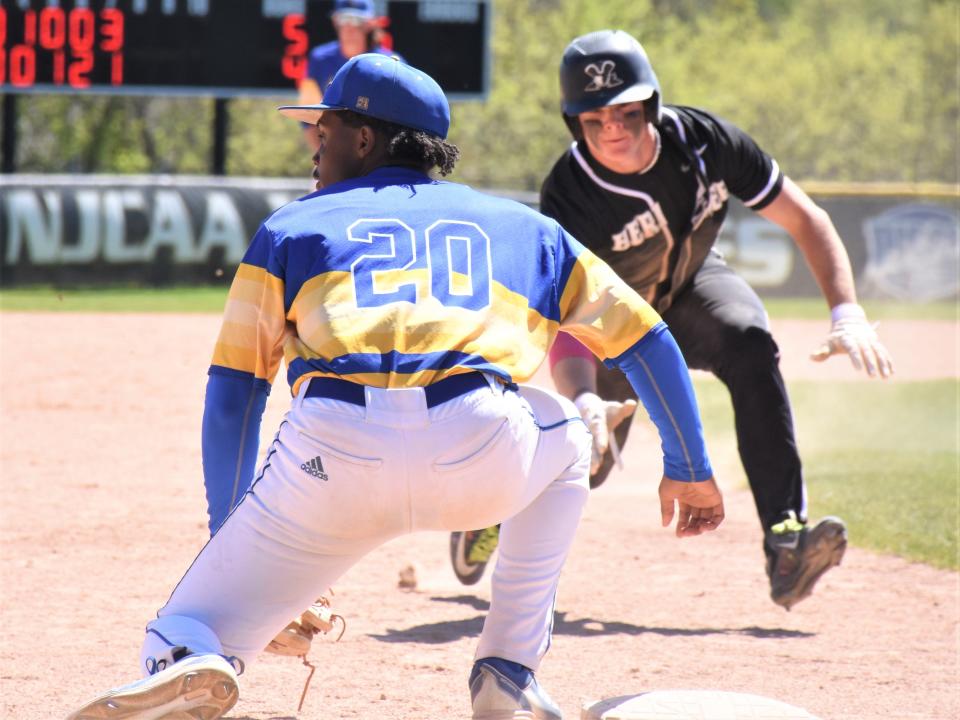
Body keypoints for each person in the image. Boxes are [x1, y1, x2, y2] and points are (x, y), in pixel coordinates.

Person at [67, 54, 725, 720]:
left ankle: (193, 661)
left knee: (180, 628)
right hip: (481, 446)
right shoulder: (527, 228)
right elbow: (646, 340)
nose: (314, 149)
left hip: (332, 459)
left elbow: (235, 394)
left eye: (325, 132)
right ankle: (507, 671)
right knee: (569, 436)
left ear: (364, 138)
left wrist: (233, 541)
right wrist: (689, 467)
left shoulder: (291, 228)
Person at [450, 29, 894, 612]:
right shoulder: (570, 192)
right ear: (573, 122)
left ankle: (786, 542)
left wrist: (847, 310)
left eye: (627, 111)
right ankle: (494, 515)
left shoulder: (706, 142)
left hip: (690, 287)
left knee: (750, 345)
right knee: (591, 453)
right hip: (614, 321)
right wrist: (583, 397)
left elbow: (805, 218)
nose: (612, 127)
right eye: (593, 117)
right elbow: (563, 313)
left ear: (651, 105)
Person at [296, 0, 402, 153]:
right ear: (335, 22)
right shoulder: (319, 59)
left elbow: (400, 121)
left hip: (379, 154)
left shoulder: (392, 63)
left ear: (370, 24)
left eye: (357, 20)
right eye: (344, 19)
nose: (349, 27)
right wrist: (324, 159)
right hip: (333, 151)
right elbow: (307, 116)